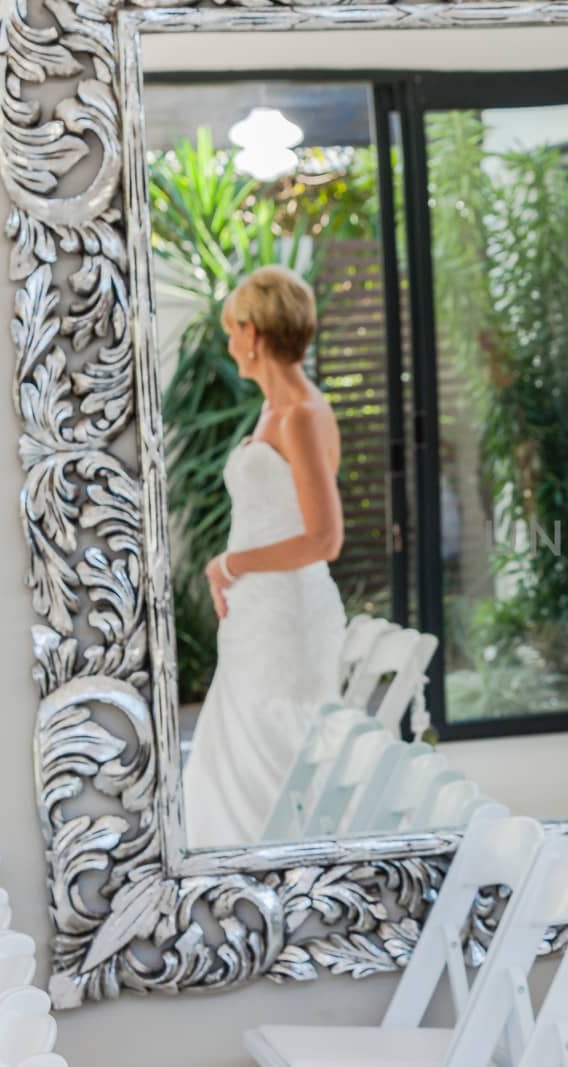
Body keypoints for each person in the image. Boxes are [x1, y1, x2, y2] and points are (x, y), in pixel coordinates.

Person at [182, 265, 347, 847]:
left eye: (232, 330)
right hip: (259, 617)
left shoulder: (301, 415)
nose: (228, 344)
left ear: (253, 333)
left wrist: (231, 566)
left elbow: (325, 540)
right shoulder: (273, 410)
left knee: (273, 752)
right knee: (236, 749)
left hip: (284, 618)